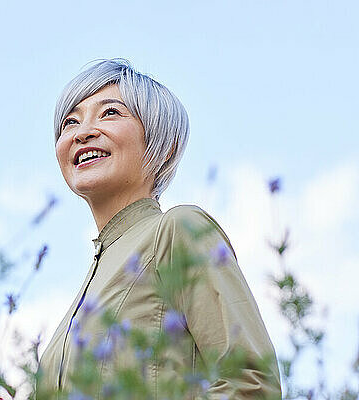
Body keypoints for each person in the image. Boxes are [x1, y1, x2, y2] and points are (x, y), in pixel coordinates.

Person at [35, 58, 282, 399]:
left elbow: (251, 384)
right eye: (70, 122)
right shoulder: (82, 298)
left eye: (110, 113)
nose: (81, 132)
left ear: (163, 147)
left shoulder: (177, 230)